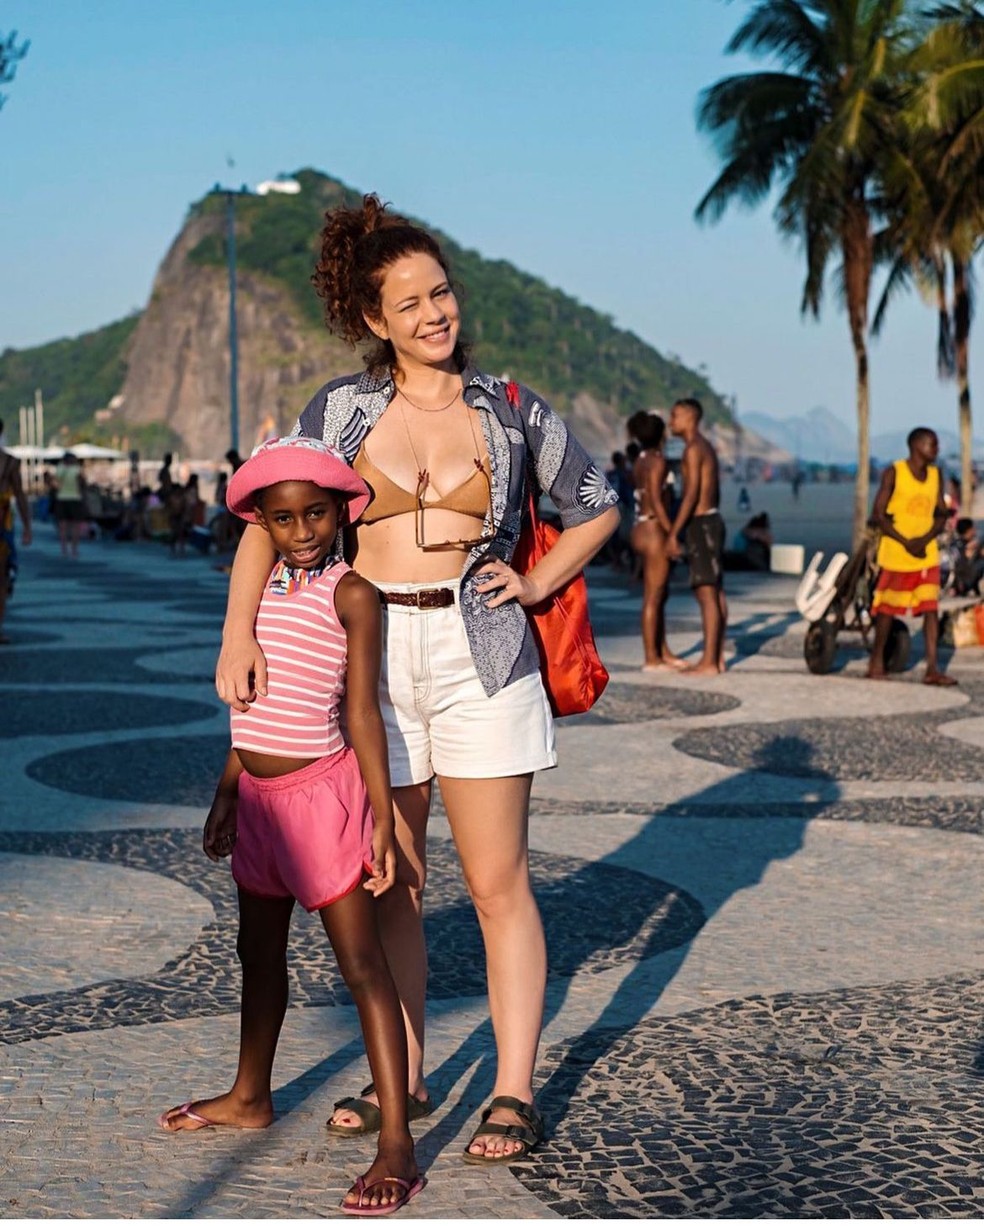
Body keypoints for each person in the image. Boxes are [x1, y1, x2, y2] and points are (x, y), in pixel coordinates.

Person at [215, 193, 619, 1164]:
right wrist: (239, 635)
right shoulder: (340, 413)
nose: (437, 313)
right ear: (373, 320)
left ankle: (513, 1088)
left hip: (483, 656)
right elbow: (266, 521)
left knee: (496, 881)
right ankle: (408, 1067)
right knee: (392, 877)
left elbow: (601, 501)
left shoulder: (512, 406)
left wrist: (534, 578)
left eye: (442, 292)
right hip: (372, 660)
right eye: (412, 303)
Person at [159, 436, 423, 1216]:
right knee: (256, 952)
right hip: (262, 807)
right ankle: (250, 1094)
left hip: (323, 800)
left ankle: (398, 1144)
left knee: (361, 964)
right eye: (284, 518)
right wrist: (228, 787)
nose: (303, 530)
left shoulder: (352, 594)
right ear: (263, 524)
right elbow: (254, 702)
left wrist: (378, 817)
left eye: (316, 514)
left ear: (342, 512)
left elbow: (361, 713)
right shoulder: (263, 586)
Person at [868, 427, 955, 685]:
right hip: (896, 553)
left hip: (926, 554)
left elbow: (941, 512)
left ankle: (932, 668)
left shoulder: (935, 476)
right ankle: (876, 661)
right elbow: (879, 514)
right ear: (917, 446)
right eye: (933, 445)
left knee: (931, 609)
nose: (937, 450)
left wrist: (925, 539)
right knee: (887, 610)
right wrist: (905, 541)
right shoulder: (894, 473)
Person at [667, 398, 728, 674]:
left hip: (702, 524)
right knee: (715, 591)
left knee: (706, 592)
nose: (671, 421)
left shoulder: (693, 449)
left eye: (675, 415)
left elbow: (690, 495)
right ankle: (716, 657)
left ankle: (709, 662)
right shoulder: (705, 447)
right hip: (711, 520)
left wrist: (674, 532)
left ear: (690, 418)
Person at [627, 411, 684, 670]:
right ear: (661, 435)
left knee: (659, 594)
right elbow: (657, 501)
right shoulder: (658, 462)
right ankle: (651, 657)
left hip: (640, 525)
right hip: (653, 528)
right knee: (654, 595)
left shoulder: (640, 460)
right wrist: (672, 534)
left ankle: (662, 650)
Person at [0, 423, 33, 643]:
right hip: (3, 522)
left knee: (2, 575)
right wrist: (27, 526)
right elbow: (20, 495)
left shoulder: (10, 462)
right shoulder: (10, 462)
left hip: (3, 521)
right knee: (2, 576)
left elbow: (20, 495)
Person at [53, 452, 85, 559]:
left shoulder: (61, 468)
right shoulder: (74, 468)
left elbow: (56, 483)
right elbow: (81, 482)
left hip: (64, 498)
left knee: (65, 526)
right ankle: (72, 549)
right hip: (73, 498)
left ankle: (67, 548)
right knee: (73, 525)